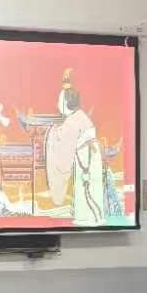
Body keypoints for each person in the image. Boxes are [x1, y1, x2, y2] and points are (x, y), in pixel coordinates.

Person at [45, 68, 105, 226]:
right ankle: (93, 217)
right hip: (89, 153)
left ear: (66, 103)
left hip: (86, 156)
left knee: (86, 187)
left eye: (60, 101)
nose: (58, 105)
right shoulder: (79, 116)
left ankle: (89, 218)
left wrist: (52, 132)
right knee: (90, 187)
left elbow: (62, 146)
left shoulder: (71, 122)